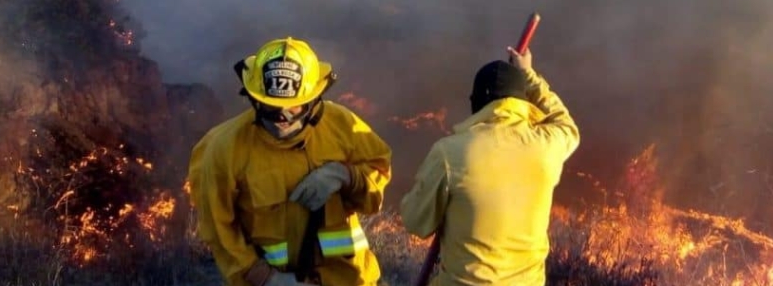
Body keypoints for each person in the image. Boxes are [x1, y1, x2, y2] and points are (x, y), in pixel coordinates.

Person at [188, 37, 393, 286]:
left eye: (293, 107)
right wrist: (265, 278)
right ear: (254, 99)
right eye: (271, 107)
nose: (282, 116)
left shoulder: (342, 126)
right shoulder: (223, 149)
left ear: (312, 100)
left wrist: (345, 175)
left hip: (350, 279)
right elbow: (217, 228)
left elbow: (378, 173)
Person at [400, 46, 579, 285]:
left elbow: (415, 221)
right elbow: (565, 124)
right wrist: (529, 75)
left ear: (478, 102)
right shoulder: (546, 146)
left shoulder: (449, 153)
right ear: (523, 102)